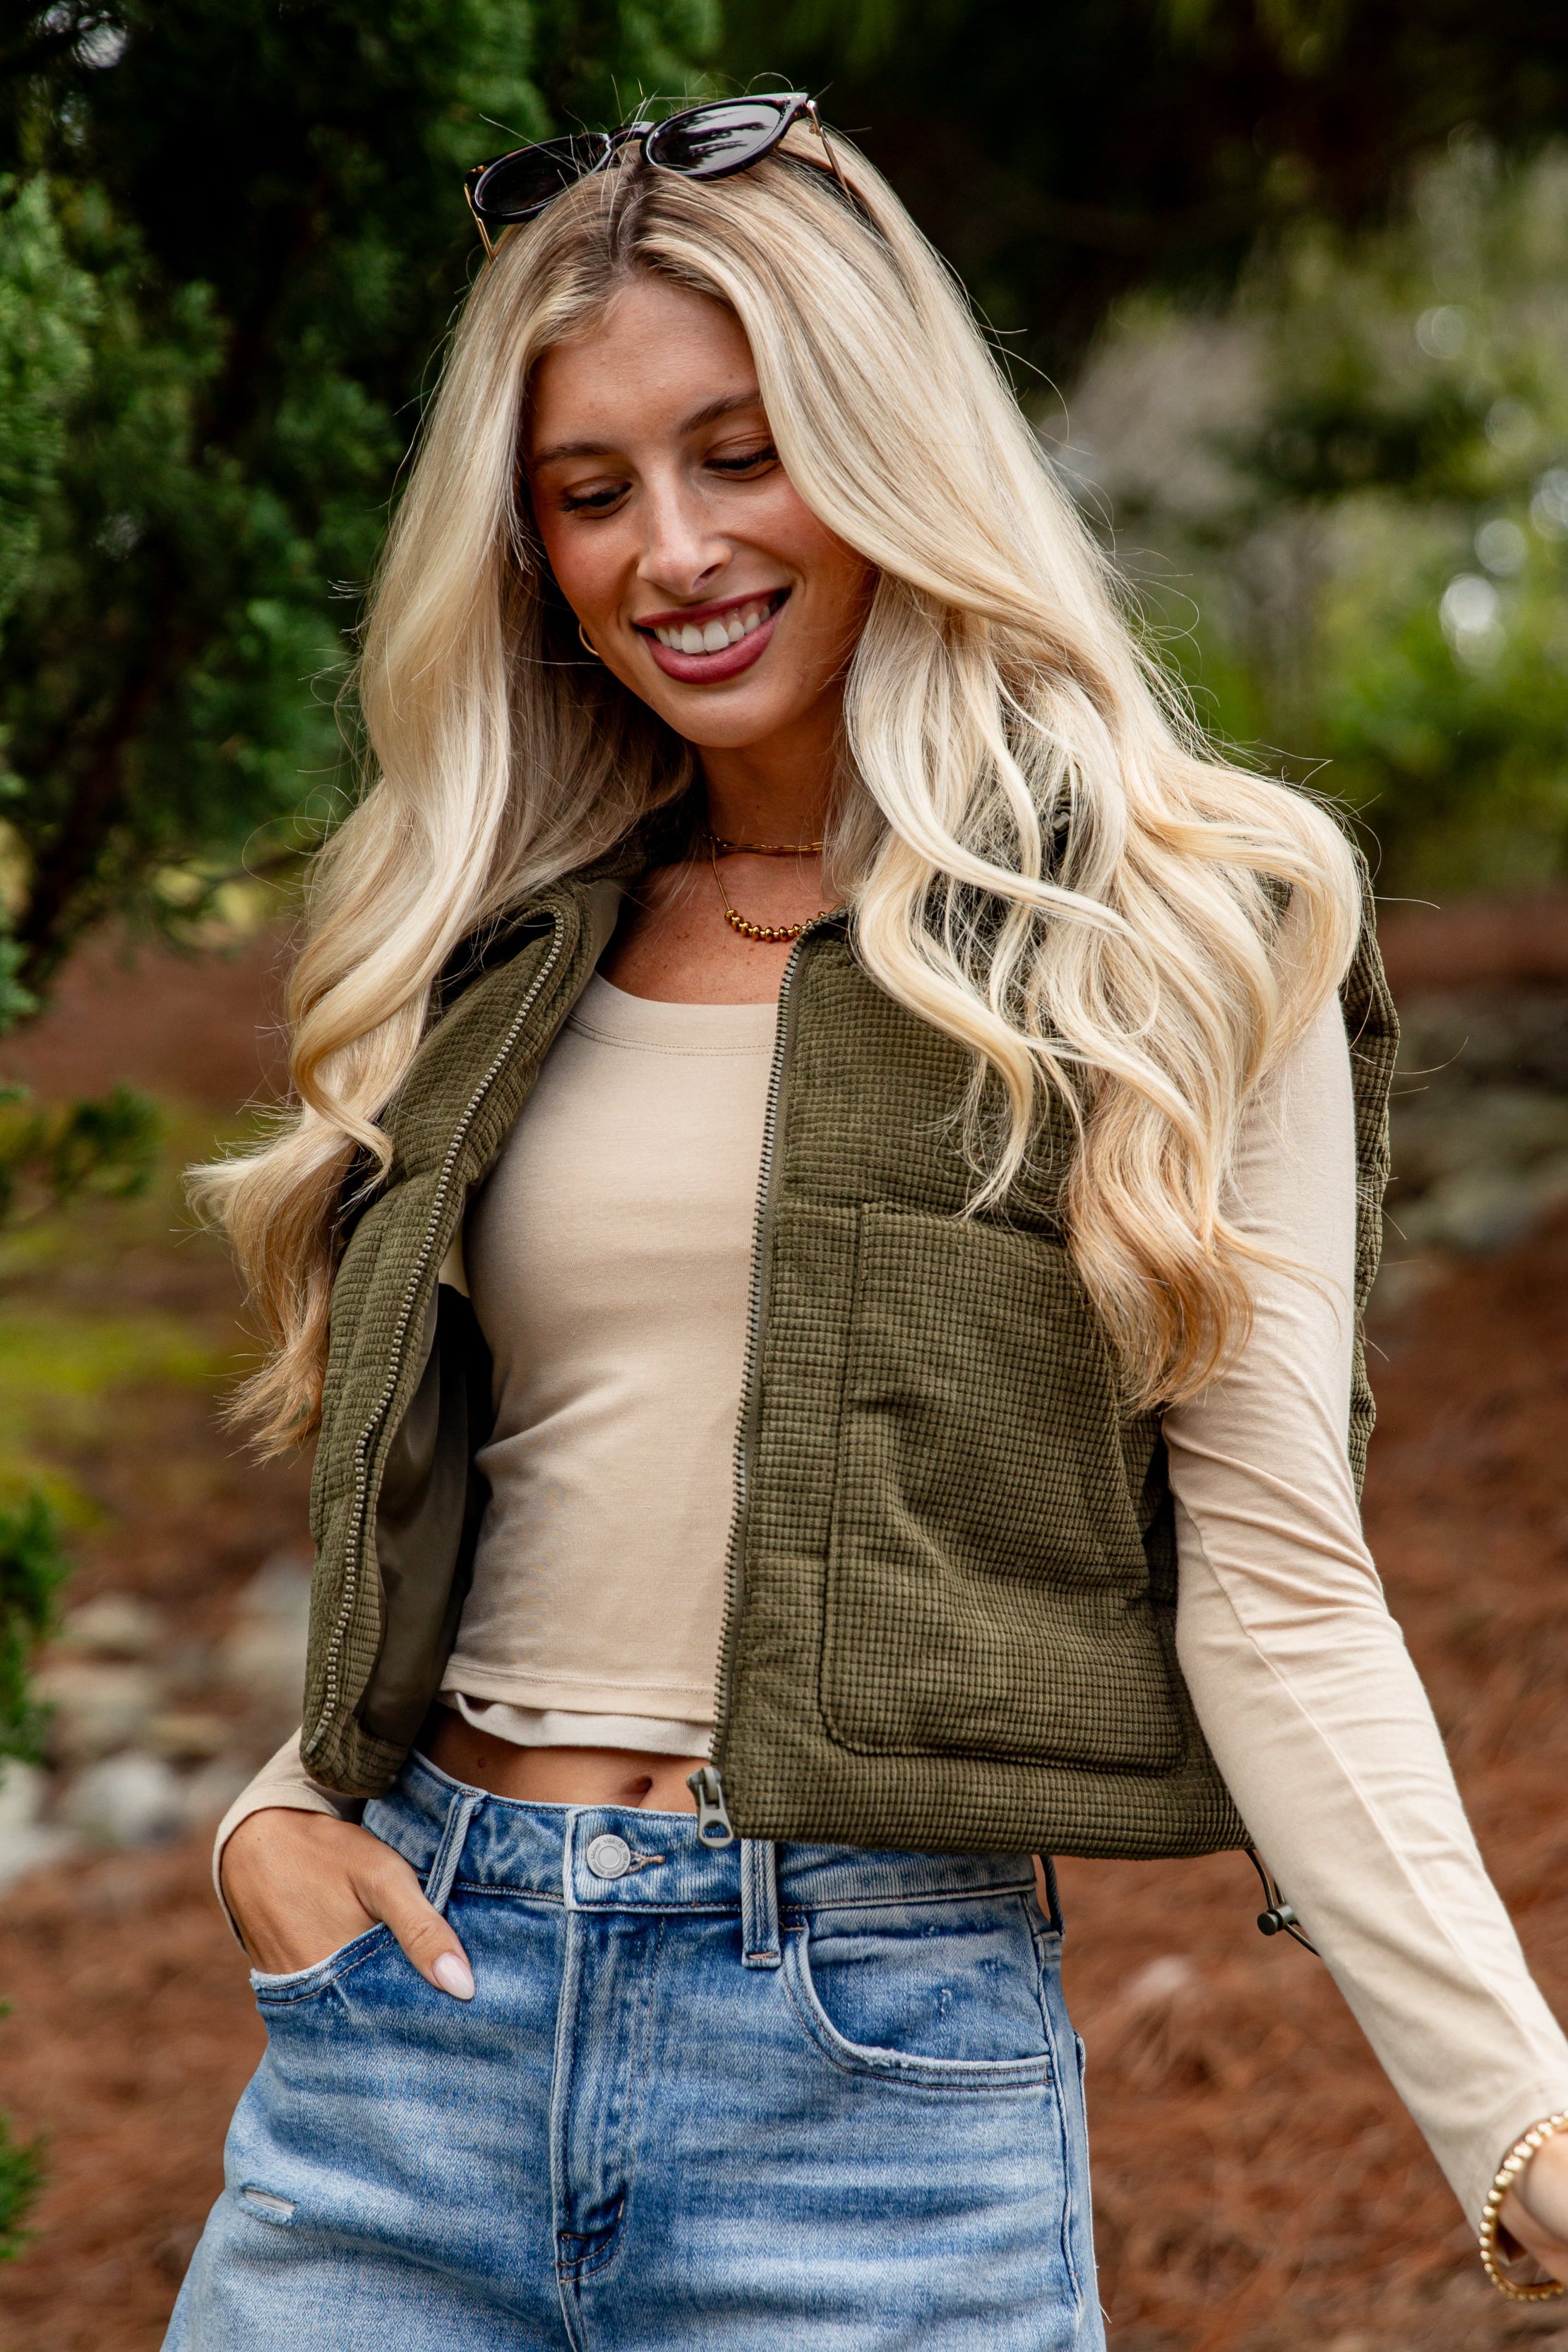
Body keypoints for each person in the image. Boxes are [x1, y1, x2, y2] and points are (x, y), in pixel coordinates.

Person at [167, 95, 1568, 2350]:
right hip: (401, 2033)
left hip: (866, 2064)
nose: (673, 552)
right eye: (591, 491)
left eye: (744, 453)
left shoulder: (1193, 931)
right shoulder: (500, 936)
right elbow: (454, 1492)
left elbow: (1281, 1582)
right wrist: (266, 1819)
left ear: (890, 444)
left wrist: (1520, 2118)